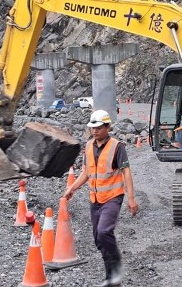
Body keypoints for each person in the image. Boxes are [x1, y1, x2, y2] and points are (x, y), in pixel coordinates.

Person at [63, 110, 138, 287]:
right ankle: (110, 278)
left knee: (104, 231)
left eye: (98, 128)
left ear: (107, 127)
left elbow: (126, 172)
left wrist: (131, 199)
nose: (94, 131)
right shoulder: (88, 146)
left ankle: (117, 268)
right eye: (92, 128)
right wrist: (72, 188)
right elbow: (86, 172)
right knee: (99, 239)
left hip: (113, 197)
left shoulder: (117, 147)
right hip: (95, 199)